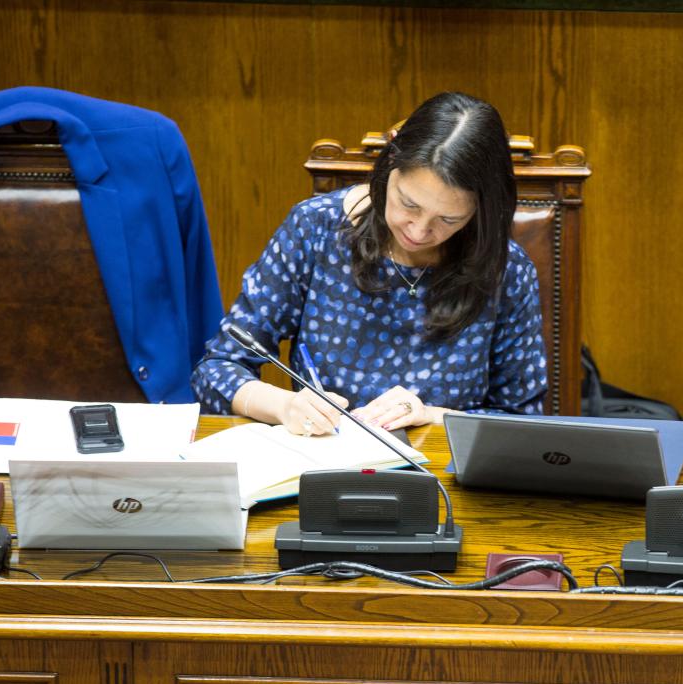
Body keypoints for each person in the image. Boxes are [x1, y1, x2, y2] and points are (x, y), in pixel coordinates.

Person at [192, 91, 547, 435]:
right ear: (390, 162)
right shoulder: (315, 229)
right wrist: (285, 406)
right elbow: (218, 369)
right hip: (328, 458)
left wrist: (431, 415)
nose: (419, 231)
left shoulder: (506, 269)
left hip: (441, 465)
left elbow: (523, 422)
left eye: (448, 219)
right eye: (409, 204)